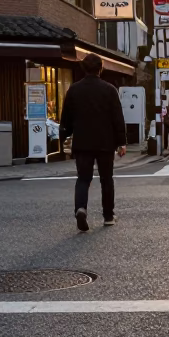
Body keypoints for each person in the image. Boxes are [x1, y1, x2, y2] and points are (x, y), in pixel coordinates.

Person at [59, 54, 127, 231]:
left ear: (83, 69)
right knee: (106, 179)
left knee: (83, 179)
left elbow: (66, 117)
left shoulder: (74, 90)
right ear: (100, 68)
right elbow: (117, 118)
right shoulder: (109, 89)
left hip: (82, 141)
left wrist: (64, 135)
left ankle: (81, 208)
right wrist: (121, 142)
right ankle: (108, 216)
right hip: (105, 142)